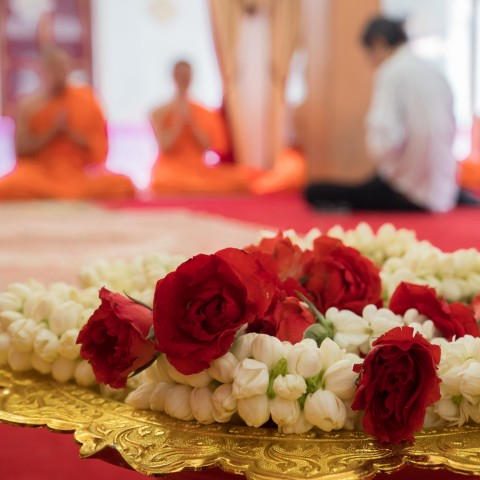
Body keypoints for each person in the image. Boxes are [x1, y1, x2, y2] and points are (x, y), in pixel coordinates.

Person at [304, 16, 467, 212]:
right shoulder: (435, 71)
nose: (370, 62)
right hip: (443, 191)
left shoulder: (391, 71)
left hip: (406, 191)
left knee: (314, 191)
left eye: (369, 54)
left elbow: (385, 138)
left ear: (378, 42)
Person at [0, 45, 135, 200]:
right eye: (54, 68)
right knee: (6, 186)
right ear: (42, 71)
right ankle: (62, 193)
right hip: (42, 175)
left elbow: (100, 150)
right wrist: (51, 133)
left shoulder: (87, 99)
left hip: (78, 175)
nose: (60, 72)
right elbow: (20, 152)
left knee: (125, 183)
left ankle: (60, 194)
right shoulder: (29, 106)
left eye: (63, 67)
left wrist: (73, 136)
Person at [149, 60, 256, 194]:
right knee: (162, 182)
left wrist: (191, 122)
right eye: (180, 76)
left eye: (187, 76)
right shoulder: (159, 112)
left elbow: (207, 147)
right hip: (171, 169)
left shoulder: (203, 111)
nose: (184, 80)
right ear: (174, 77)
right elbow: (165, 146)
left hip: (198, 168)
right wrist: (178, 121)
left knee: (244, 177)